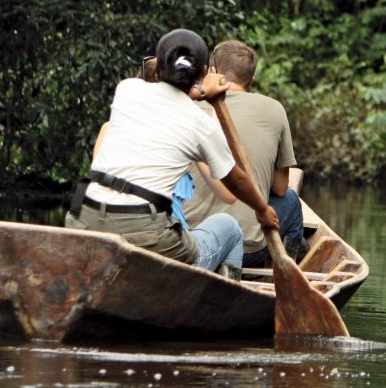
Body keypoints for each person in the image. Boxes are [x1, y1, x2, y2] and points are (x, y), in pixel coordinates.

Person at [65, 29, 278, 280]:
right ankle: (221, 303)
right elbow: (235, 183)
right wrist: (262, 209)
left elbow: (165, 88)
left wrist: (197, 89)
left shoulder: (127, 89)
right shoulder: (201, 123)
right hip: (146, 234)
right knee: (229, 227)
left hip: (82, 219)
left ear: (160, 65)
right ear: (202, 73)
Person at [183, 40, 307, 268]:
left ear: (212, 72)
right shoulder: (274, 109)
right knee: (290, 199)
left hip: (189, 243)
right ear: (251, 79)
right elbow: (280, 188)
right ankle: (284, 271)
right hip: (249, 250)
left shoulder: (186, 107)